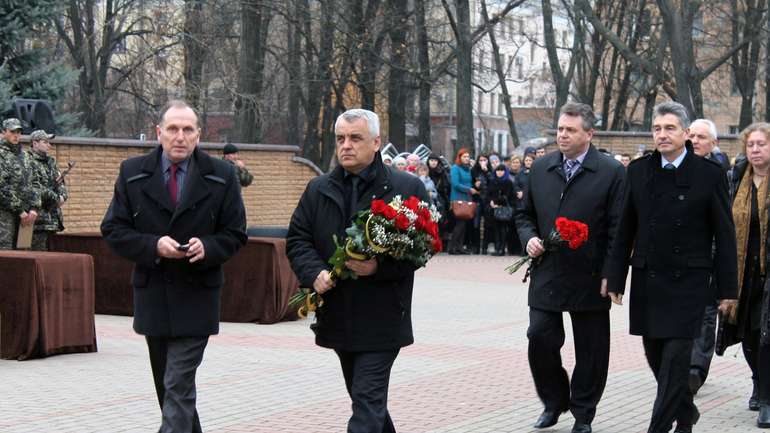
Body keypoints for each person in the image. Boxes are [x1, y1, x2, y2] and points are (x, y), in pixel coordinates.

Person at [100, 100, 248, 433]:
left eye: (187, 130)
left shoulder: (222, 175)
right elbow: (113, 230)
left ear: (198, 135)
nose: (179, 137)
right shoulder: (133, 172)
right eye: (172, 129)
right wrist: (153, 245)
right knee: (169, 391)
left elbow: (236, 233)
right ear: (159, 133)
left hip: (198, 296)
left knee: (178, 386)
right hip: (154, 295)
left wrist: (207, 246)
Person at [286, 108, 428, 433]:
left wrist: (378, 267)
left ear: (376, 142)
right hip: (337, 314)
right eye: (340, 138)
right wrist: (314, 273)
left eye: (355, 138)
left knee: (366, 403)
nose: (346, 145)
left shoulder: (405, 188)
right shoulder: (318, 189)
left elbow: (422, 248)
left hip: (383, 317)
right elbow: (298, 239)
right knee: (368, 402)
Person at [608, 101, 738, 433]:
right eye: (657, 128)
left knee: (675, 360)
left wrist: (727, 290)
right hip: (649, 279)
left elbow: (725, 236)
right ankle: (687, 411)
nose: (662, 135)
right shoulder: (637, 171)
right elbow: (624, 228)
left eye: (670, 128)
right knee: (656, 358)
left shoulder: (708, 175)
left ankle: (661, 428)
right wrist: (615, 277)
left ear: (685, 133)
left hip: (690, 282)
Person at [516, 102, 625, 433]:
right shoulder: (542, 168)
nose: (562, 135)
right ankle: (554, 401)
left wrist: (613, 275)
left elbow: (618, 229)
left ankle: (583, 412)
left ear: (589, 134)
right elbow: (524, 214)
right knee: (539, 336)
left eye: (570, 130)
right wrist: (529, 238)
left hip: (591, 274)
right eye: (560, 129)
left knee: (591, 349)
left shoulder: (610, 171)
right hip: (548, 268)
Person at [724, 122, 770, 427]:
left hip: (769, 271)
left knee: (767, 334)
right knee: (749, 335)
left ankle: (767, 399)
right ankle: (757, 380)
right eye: (750, 145)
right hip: (743, 271)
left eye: (761, 144)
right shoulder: (737, 178)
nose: (754, 150)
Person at [685, 118, 730, 396]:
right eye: (692, 135)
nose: (695, 141)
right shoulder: (674, 167)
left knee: (706, 313)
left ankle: (696, 369)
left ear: (713, 143)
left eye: (702, 137)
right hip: (679, 257)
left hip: (709, 255)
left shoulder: (721, 173)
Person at [0, 118, 39, 249]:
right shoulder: (1, 155)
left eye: (18, 132)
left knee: (23, 253)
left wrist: (34, 208)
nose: (16, 135)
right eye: (12, 132)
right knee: (5, 255)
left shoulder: (26, 156)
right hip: (5, 216)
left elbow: (35, 182)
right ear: (3, 132)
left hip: (26, 216)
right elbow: (2, 188)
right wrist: (20, 211)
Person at [27, 130, 68, 251]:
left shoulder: (51, 162)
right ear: (35, 143)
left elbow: (60, 182)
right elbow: (35, 187)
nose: (49, 145)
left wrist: (62, 197)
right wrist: (55, 198)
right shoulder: (28, 161)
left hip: (53, 220)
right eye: (45, 142)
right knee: (38, 256)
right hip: (38, 222)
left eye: (49, 142)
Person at [449, 148, 477, 255]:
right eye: (464, 156)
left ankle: (459, 247)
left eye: (468, 156)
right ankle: (452, 247)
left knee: (464, 224)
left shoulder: (468, 169)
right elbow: (455, 184)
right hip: (457, 199)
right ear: (459, 157)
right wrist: (469, 189)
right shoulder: (455, 168)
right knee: (459, 224)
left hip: (467, 199)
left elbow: (469, 182)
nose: (466, 158)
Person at [486, 163, 514, 256]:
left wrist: (496, 202)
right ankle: (497, 248)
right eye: (498, 170)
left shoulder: (508, 182)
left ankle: (502, 249)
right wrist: (491, 202)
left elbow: (507, 196)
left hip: (503, 209)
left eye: (502, 170)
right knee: (495, 229)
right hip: (493, 209)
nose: (500, 172)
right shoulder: (492, 181)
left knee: (503, 229)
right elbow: (488, 194)